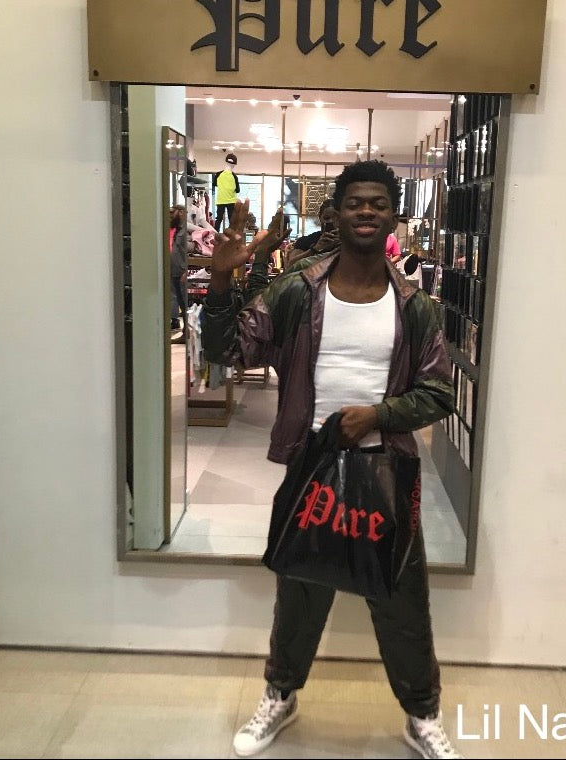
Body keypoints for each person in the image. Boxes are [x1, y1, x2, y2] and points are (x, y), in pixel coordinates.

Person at [202, 159, 460, 759]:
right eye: (354, 202)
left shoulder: (414, 305)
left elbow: (439, 393)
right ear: (335, 214)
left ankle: (421, 716)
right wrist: (219, 280)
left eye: (378, 203)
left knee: (402, 602)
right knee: (299, 594)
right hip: (312, 468)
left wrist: (379, 416)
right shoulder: (297, 290)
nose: (366, 210)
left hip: (386, 470)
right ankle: (280, 695)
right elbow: (227, 349)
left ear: (393, 216)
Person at [284, 198, 339, 268]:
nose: (331, 222)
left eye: (336, 219)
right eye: (327, 218)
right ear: (320, 217)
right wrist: (315, 249)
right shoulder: (305, 241)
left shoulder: (348, 241)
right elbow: (291, 266)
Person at [169, 203, 187, 344]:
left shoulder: (185, 231)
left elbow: (186, 252)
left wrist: (186, 271)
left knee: (184, 303)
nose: (170, 216)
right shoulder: (177, 230)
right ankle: (185, 333)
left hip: (181, 273)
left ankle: (186, 334)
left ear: (180, 212)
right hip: (174, 272)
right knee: (180, 301)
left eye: (172, 213)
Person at [213, 152, 240, 232]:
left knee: (219, 219)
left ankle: (215, 234)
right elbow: (238, 190)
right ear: (234, 165)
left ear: (226, 162)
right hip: (231, 201)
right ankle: (231, 235)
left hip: (220, 200)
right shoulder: (234, 177)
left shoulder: (218, 174)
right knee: (231, 219)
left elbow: (215, 184)